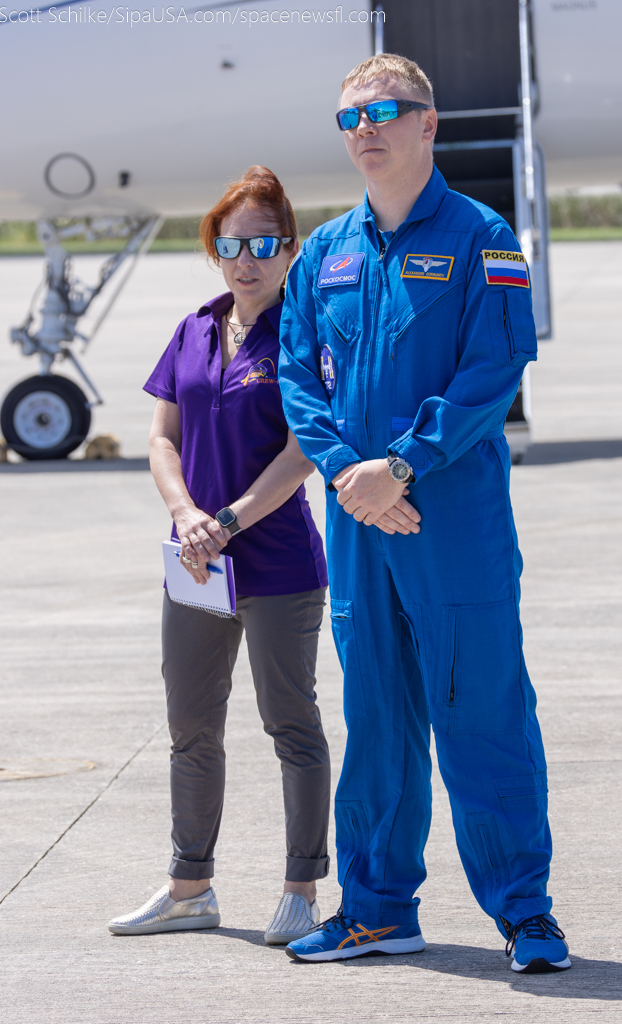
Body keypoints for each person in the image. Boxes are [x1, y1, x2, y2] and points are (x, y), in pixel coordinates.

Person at [278, 55, 571, 973]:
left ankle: (525, 913)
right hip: (362, 523)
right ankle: (375, 908)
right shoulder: (325, 254)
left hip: (453, 519)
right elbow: (297, 379)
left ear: (426, 123)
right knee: (376, 718)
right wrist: (348, 476)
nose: (365, 128)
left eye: (383, 111)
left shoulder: (484, 238)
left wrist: (400, 465)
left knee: (481, 710)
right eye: (348, 117)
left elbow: (494, 372)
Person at [108, 166, 331, 945]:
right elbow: (161, 437)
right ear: (214, 248)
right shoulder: (194, 329)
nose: (247, 259)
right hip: (195, 563)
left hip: (275, 565)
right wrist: (186, 515)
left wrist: (227, 519)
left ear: (289, 248)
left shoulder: (304, 334)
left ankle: (301, 888)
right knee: (191, 727)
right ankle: (188, 887)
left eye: (264, 243)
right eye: (231, 243)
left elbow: (305, 449)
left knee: (289, 725)